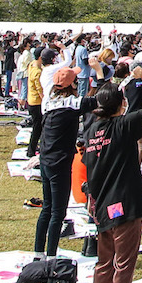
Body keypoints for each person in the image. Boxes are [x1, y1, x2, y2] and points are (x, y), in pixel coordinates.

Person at [82, 68, 142, 283]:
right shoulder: (124, 124)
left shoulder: (91, 130)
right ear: (122, 104)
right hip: (125, 202)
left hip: (101, 202)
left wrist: (90, 198)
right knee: (124, 264)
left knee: (104, 261)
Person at [34, 67, 99, 258]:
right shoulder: (71, 102)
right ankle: (51, 255)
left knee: (47, 209)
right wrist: (99, 76)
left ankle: (38, 253)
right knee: (58, 212)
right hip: (59, 162)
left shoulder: (48, 100)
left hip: (46, 158)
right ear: (72, 84)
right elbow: (98, 100)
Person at [24, 46, 45, 158]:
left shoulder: (32, 65)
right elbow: (40, 89)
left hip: (32, 101)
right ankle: (31, 150)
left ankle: (33, 148)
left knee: (37, 127)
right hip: (36, 102)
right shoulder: (37, 72)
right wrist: (46, 101)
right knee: (38, 128)